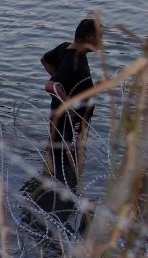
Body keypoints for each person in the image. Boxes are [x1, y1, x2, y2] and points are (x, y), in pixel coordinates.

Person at [41, 18, 102, 196]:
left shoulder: (65, 48)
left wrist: (60, 81)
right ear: (90, 38)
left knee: (54, 158)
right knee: (64, 170)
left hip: (64, 121)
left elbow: (45, 59)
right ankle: (58, 201)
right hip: (67, 124)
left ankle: (48, 189)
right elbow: (50, 86)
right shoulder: (74, 64)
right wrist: (68, 105)